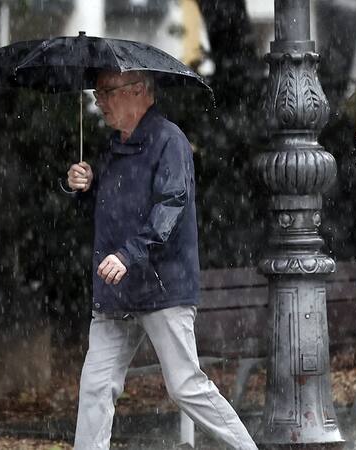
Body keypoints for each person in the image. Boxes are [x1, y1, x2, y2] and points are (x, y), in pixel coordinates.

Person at [65, 69, 258, 450]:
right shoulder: (109, 147)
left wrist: (128, 254)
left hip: (161, 287)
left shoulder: (170, 141)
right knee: (95, 388)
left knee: (186, 385)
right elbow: (112, 208)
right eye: (97, 92)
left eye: (106, 92)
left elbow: (169, 208)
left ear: (139, 91)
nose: (99, 101)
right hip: (117, 289)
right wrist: (81, 186)